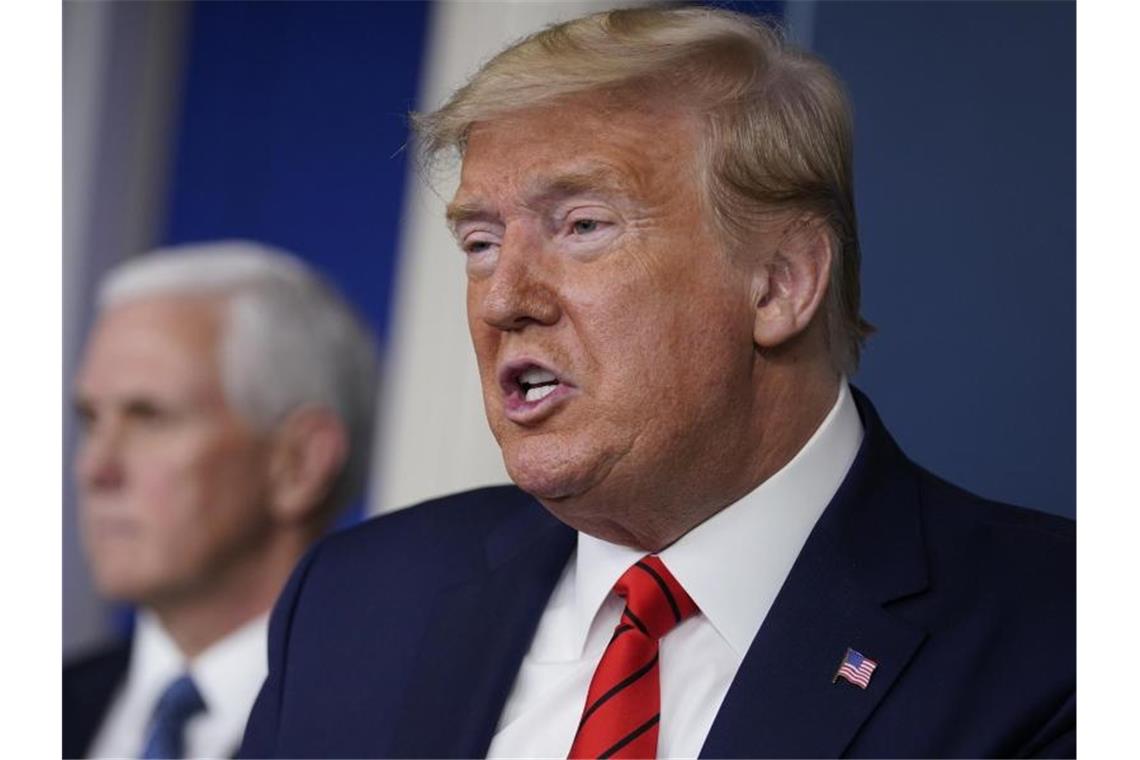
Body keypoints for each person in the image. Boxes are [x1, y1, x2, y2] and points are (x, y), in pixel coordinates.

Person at [241, 7, 1074, 759]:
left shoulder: (1066, 639)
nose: (503, 300)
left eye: (583, 226)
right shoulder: (356, 603)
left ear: (781, 282)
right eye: (482, 242)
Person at [63, 240, 378, 759]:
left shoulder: (398, 729)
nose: (94, 468)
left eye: (150, 417)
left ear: (298, 462)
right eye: (91, 420)